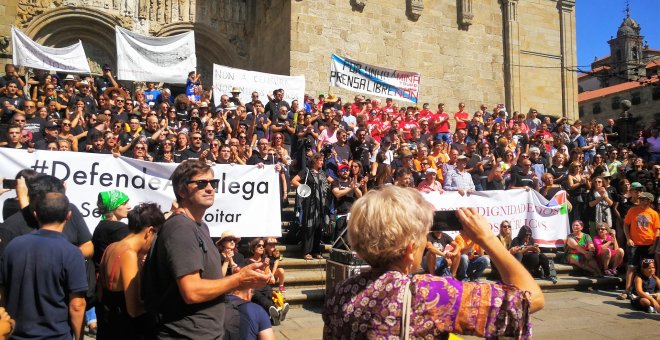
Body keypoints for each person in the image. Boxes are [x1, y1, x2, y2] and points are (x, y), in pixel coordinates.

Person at [323, 186, 543, 338]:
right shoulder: (430, 294)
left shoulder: (340, 293)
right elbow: (530, 299)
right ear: (411, 249)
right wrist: (488, 239)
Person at [149, 160, 269, 338]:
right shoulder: (181, 228)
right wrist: (239, 279)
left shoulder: (200, 226)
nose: (210, 188)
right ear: (182, 191)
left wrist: (246, 279)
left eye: (213, 183)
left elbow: (210, 281)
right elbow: (192, 291)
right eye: (201, 183)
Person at [0, 192, 87, 340]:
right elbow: (77, 305)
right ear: (68, 215)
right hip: (55, 335)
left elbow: (2, 291)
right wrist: (79, 337)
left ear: (35, 214)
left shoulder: (13, 246)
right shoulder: (72, 253)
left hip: (15, 334)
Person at [96, 203, 165, 339]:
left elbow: (100, 293)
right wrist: (161, 303)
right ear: (150, 232)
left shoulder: (112, 247)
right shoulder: (129, 254)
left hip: (108, 328)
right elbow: (134, 310)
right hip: (126, 330)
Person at [291, 153, 331, 260]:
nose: (322, 162)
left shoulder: (323, 173)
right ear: (314, 161)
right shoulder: (307, 171)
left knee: (318, 227)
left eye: (323, 160)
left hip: (321, 204)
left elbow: (333, 182)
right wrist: (304, 188)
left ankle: (316, 251)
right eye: (320, 160)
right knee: (309, 227)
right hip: (309, 203)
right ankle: (306, 251)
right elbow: (294, 180)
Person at [620, 192, 659, 300]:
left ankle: (650, 290)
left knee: (649, 268)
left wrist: (654, 245)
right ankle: (627, 290)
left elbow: (657, 230)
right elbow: (625, 224)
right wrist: (628, 238)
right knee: (631, 267)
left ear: (649, 201)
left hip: (649, 244)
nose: (640, 200)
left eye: (643, 199)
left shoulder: (654, 213)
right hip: (635, 244)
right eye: (640, 199)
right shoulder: (632, 210)